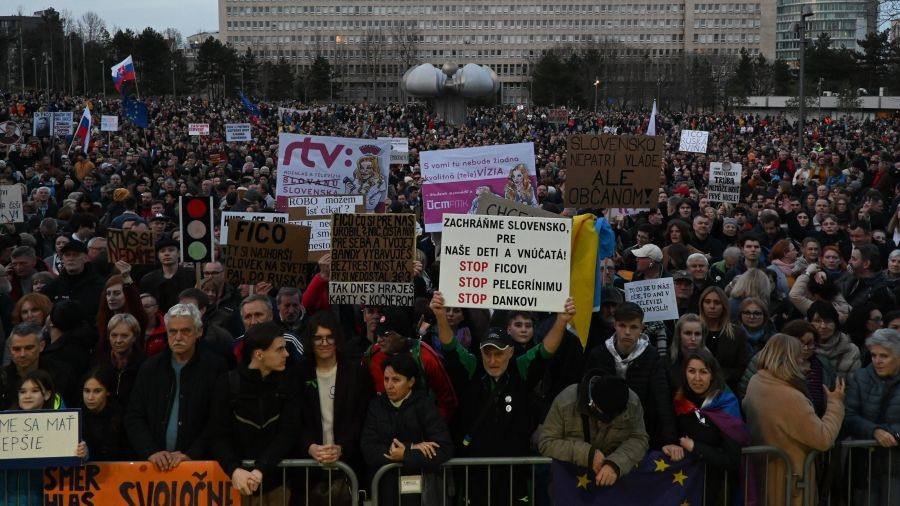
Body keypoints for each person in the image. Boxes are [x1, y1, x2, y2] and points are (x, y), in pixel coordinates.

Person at [430, 291, 574, 505]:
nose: (493, 360)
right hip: (474, 471)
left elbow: (546, 351)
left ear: (510, 352)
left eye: (498, 353)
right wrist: (441, 316)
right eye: (487, 353)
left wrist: (561, 321)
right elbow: (451, 347)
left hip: (513, 471)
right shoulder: (471, 368)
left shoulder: (521, 369)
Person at [742, 334, 846, 506]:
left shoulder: (756, 381)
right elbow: (823, 439)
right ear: (791, 359)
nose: (804, 361)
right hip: (791, 484)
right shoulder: (790, 396)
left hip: (764, 476)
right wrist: (835, 403)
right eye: (800, 357)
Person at [125, 303, 227, 470]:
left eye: (186, 331)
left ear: (199, 332)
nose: (178, 337)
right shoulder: (150, 367)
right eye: (173, 331)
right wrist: (151, 451)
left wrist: (191, 454)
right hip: (153, 466)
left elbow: (218, 419)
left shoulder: (215, 367)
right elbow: (134, 416)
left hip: (199, 466)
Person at [208, 321, 300, 504]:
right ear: (259, 354)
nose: (287, 354)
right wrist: (234, 470)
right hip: (232, 484)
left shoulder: (288, 383)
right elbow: (217, 435)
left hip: (276, 483)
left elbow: (288, 433)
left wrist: (260, 470)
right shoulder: (227, 384)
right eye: (280, 349)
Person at [585, 302, 679, 455]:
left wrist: (669, 440)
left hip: (641, 430)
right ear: (615, 325)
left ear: (642, 328)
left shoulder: (652, 356)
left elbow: (662, 397)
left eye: (633, 327)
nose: (627, 332)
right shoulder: (598, 354)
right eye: (622, 325)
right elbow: (587, 396)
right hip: (603, 432)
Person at [360, 353, 453, 506]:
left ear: (411, 382)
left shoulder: (425, 405)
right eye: (386, 379)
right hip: (385, 491)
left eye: (396, 380)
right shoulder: (376, 406)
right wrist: (412, 447)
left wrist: (406, 454)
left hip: (421, 494)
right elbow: (368, 448)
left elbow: (444, 447)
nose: (389, 385)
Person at [298, 311, 373, 498]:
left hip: (350, 465)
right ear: (310, 340)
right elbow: (294, 418)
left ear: (337, 339)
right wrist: (309, 446)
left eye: (329, 337)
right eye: (318, 338)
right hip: (309, 468)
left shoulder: (357, 373)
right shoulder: (299, 374)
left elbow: (362, 417)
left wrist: (343, 447)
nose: (324, 343)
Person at [539, 373, 649, 487]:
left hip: (614, 481)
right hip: (571, 481)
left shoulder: (632, 403)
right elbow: (546, 442)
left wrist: (615, 464)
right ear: (593, 404)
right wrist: (588, 454)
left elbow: (639, 439)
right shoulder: (566, 402)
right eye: (603, 415)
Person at [672, 349, 748, 506]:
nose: (697, 378)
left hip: (718, 488)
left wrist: (695, 447)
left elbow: (732, 459)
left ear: (712, 375)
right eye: (691, 371)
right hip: (686, 482)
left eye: (704, 372)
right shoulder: (680, 398)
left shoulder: (727, 403)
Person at [0, 370, 87, 503]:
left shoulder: (59, 424)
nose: (27, 396)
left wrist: (83, 451)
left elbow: (79, 451)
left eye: (34, 391)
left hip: (41, 499)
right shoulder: (4, 423)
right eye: (22, 392)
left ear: (47, 394)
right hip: (6, 499)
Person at [844, 328, 900, 505]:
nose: (877, 361)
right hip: (865, 465)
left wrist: (893, 434)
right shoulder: (861, 377)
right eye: (874, 355)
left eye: (884, 356)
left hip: (896, 465)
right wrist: (874, 431)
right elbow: (849, 415)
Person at [1, 322, 77, 408]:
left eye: (29, 348)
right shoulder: (3, 377)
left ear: (41, 346)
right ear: (10, 349)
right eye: (16, 349)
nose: (22, 354)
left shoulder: (62, 373)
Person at [40, 240, 105, 319]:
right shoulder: (52, 287)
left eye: (75, 255)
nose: (71, 258)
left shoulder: (99, 285)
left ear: (85, 258)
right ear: (63, 260)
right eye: (67, 255)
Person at [232, 294, 303, 364]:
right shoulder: (236, 345)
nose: (253, 322)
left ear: (270, 316)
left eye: (258, 315)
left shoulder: (290, 341)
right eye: (248, 317)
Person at [93, 313, 145, 406]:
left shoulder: (144, 365)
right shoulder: (98, 362)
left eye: (124, 336)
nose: (118, 340)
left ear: (134, 337)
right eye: (114, 335)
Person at [81, 365, 130, 460]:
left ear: (108, 392)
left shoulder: (122, 418)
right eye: (87, 391)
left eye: (97, 391)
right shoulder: (76, 417)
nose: (90, 397)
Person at [139, 238, 197, 313]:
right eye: (162, 251)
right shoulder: (148, 279)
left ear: (179, 253)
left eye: (171, 250)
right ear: (158, 255)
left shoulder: (192, 275)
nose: (166, 253)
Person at [96, 263, 147, 343]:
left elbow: (134, 301)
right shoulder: (103, 320)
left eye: (117, 293)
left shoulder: (137, 318)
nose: (111, 298)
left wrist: (127, 278)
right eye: (108, 294)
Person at [807, 301, 861, 376]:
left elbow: (853, 384)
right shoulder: (803, 348)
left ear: (836, 323)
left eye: (828, 321)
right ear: (809, 323)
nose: (823, 326)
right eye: (817, 321)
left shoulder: (851, 351)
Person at [667, 314, 706, 390]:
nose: (693, 338)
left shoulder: (709, 360)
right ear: (679, 335)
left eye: (697, 334)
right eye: (688, 333)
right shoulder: (667, 361)